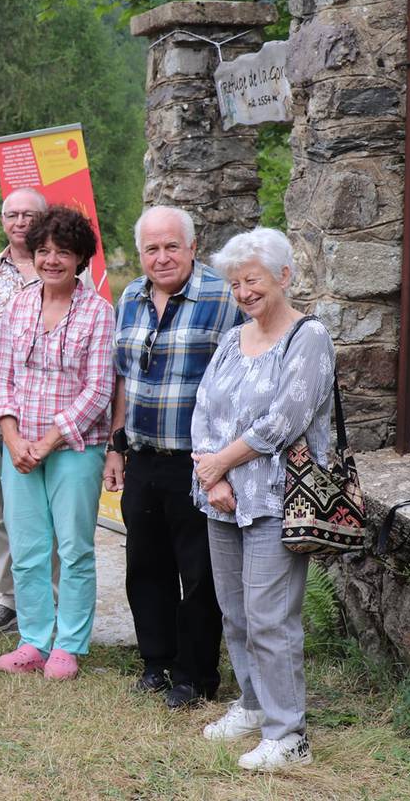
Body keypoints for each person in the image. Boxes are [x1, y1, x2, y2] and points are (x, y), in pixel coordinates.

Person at [190, 228, 333, 771]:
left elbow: (287, 419)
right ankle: (252, 705)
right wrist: (213, 477)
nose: (244, 292)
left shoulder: (309, 338)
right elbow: (205, 406)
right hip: (223, 497)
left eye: (252, 280)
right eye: (235, 284)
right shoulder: (233, 339)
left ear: (283, 277)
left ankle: (288, 735)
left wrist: (223, 462)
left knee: (270, 616)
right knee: (234, 610)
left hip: (275, 498)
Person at [105, 205, 244, 709]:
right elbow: (123, 377)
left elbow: (243, 378)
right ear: (141, 253)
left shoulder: (222, 297)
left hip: (199, 464)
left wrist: (224, 464)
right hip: (142, 456)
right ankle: (156, 663)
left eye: (170, 246)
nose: (161, 257)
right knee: (145, 565)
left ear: (192, 246)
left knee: (200, 572)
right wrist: (117, 446)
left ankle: (195, 674)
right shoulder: (130, 296)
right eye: (151, 248)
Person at [0, 207, 115, 681]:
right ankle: (34, 640)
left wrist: (47, 441)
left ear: (81, 258)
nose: (52, 260)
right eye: (43, 250)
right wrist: (12, 436)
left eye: (63, 251)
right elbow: (1, 375)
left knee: (75, 548)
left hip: (74, 449)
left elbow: (99, 389)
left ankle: (69, 644)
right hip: (18, 448)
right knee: (28, 548)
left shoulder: (99, 312)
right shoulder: (18, 305)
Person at [0, 188, 49, 634]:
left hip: (50, 409)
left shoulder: (58, 262)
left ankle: (49, 600)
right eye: (11, 214)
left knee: (50, 511)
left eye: (28, 214)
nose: (19, 222)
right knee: (3, 510)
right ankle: (11, 599)